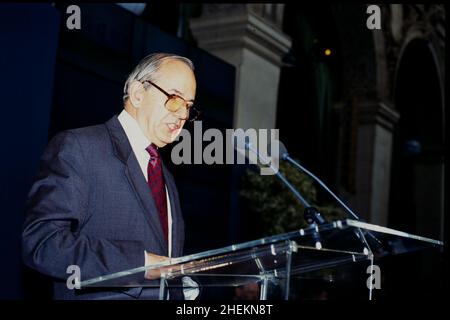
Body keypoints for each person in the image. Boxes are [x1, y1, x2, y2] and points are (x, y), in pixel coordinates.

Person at [22, 53, 199, 299]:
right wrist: (139, 263)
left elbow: (163, 265)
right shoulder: (79, 148)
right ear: (138, 93)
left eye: (189, 106)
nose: (183, 115)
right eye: (175, 99)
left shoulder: (166, 175)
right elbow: (43, 243)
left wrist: (179, 286)